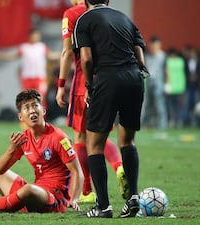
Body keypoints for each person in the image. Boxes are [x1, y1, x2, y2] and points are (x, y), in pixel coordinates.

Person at [74, 0, 147, 218]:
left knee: (94, 143)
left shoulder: (84, 20)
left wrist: (89, 85)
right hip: (134, 77)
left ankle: (103, 206)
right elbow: (140, 55)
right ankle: (133, 197)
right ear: (108, 1)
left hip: (107, 78)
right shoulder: (124, 18)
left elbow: (86, 59)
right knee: (128, 140)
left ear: (86, 1)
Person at [55, 0, 128, 204]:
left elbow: (67, 52)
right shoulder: (111, 14)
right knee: (101, 135)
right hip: (108, 81)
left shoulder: (72, 14)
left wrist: (61, 84)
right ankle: (119, 166)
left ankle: (86, 190)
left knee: (81, 137)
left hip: (82, 84)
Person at [0, 28, 60, 106]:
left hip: (39, 77)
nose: (36, 37)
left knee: (40, 97)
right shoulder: (24, 48)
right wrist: (0, 55)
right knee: (26, 98)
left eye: (37, 36)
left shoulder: (42, 47)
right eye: (34, 35)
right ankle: (27, 116)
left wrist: (64, 54)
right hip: (27, 77)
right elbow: (12, 56)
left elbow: (51, 55)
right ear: (30, 36)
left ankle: (41, 116)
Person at [142, 36, 167, 130]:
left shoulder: (162, 56)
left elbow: (166, 70)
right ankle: (148, 123)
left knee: (159, 104)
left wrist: (167, 84)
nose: (153, 47)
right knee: (147, 104)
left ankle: (162, 124)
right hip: (148, 82)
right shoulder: (147, 56)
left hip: (158, 83)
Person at [165, 48, 187, 128]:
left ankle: (175, 120)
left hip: (175, 87)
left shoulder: (169, 61)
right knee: (176, 105)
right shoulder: (181, 61)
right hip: (177, 86)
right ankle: (176, 120)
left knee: (174, 105)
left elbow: (166, 74)